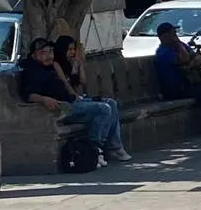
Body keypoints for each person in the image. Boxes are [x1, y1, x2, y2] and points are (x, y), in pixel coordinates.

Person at [20, 37, 131, 166]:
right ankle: (95, 148)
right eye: (43, 53)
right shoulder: (32, 71)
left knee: (111, 103)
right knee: (103, 109)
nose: (49, 56)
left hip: (72, 101)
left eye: (50, 52)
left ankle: (115, 148)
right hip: (62, 108)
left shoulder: (50, 67)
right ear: (34, 55)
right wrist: (44, 99)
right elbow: (28, 95)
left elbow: (74, 84)